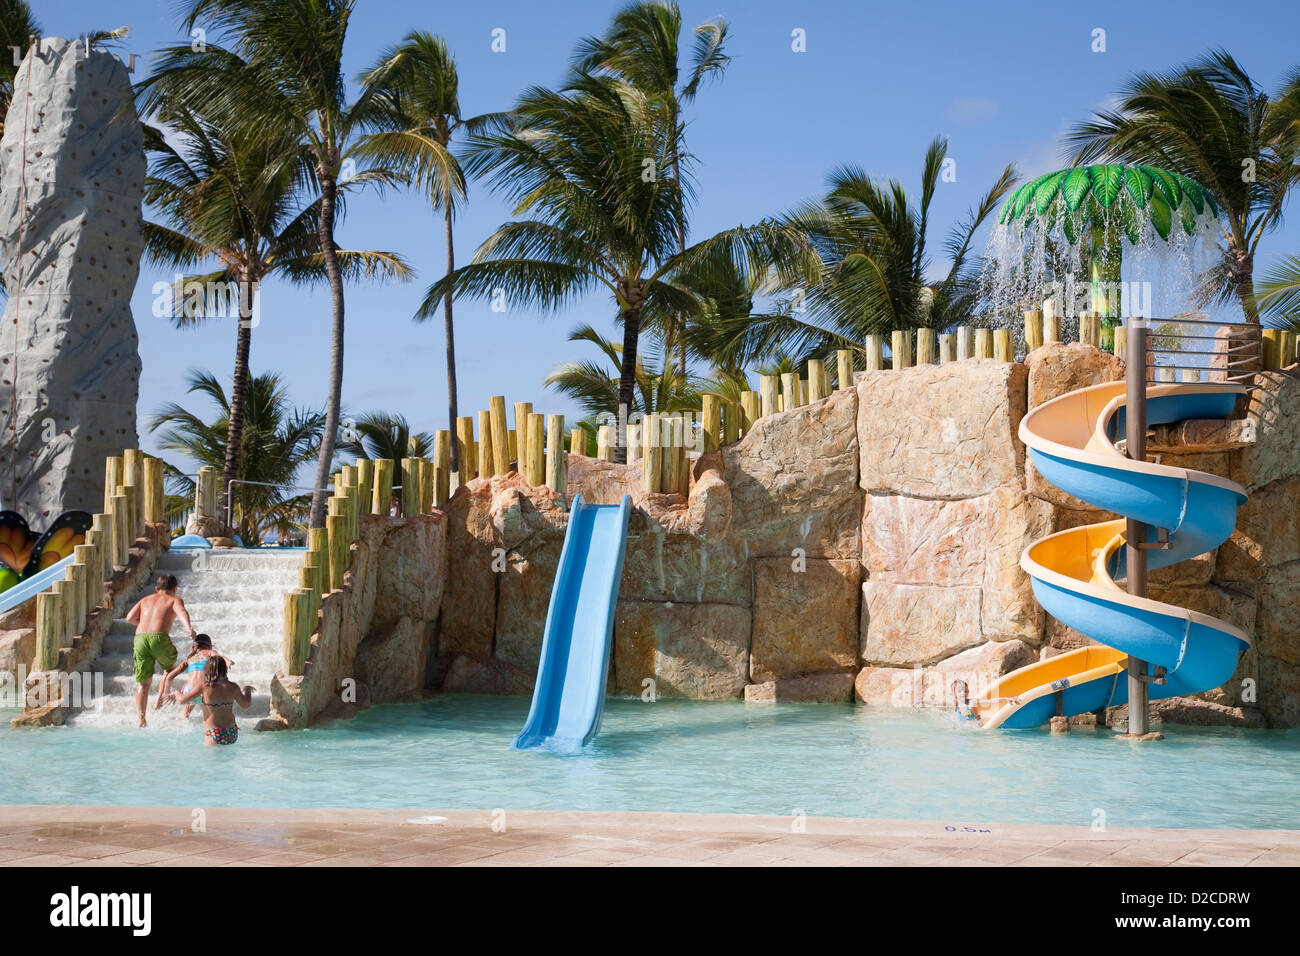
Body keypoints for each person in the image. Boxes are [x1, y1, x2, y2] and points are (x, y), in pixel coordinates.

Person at [126, 574, 195, 728]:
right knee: (169, 669)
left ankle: (141, 719)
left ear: (157, 589)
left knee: (143, 683)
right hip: (159, 638)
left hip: (140, 638)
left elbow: (129, 618)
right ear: (175, 589)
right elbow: (182, 612)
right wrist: (189, 628)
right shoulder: (174, 600)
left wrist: (143, 623)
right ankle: (160, 698)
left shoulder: (145, 600)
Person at [168, 657, 252, 746]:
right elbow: (246, 704)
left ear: (207, 669)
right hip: (232, 732)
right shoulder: (233, 687)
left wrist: (175, 693)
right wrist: (248, 690)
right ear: (224, 669)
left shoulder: (204, 687)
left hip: (214, 733)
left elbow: (182, 700)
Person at [155, 634, 233, 719]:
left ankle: (184, 719)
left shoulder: (190, 659)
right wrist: (227, 661)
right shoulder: (209, 652)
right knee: (210, 714)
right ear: (209, 645)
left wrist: (166, 693)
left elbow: (169, 676)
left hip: (188, 691)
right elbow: (219, 657)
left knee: (189, 705)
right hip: (202, 692)